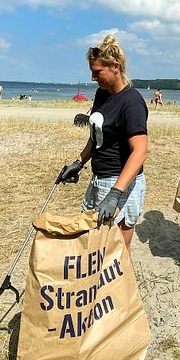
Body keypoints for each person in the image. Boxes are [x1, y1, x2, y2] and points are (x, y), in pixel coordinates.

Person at [60, 35, 148, 256]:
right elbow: (97, 135)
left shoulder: (132, 103)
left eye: (97, 72)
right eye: (92, 71)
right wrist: (79, 163)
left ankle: (124, 292)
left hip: (121, 182)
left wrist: (116, 193)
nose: (93, 77)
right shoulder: (102, 94)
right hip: (99, 179)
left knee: (117, 251)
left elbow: (140, 151)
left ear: (115, 67)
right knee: (97, 244)